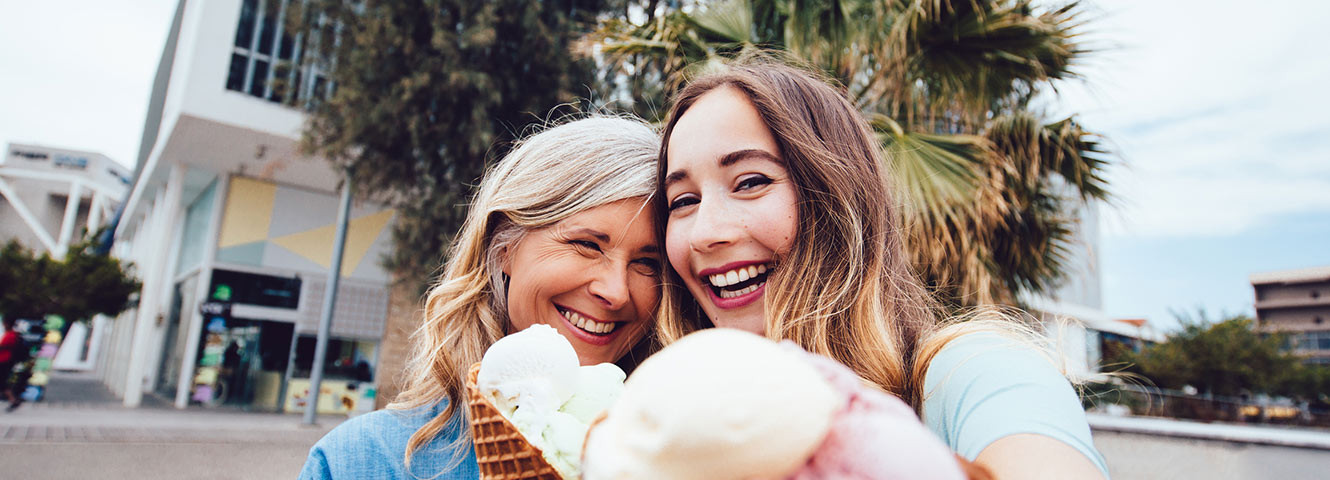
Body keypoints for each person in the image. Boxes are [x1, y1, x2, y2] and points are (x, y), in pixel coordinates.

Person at [656, 54, 1110, 479]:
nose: (704, 232)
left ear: (839, 196)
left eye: (751, 182)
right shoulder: (672, 425)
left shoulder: (977, 374)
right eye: (684, 201)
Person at [300, 116, 662, 479]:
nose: (615, 292)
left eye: (648, 263)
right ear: (504, 244)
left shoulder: (684, 464)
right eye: (587, 245)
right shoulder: (359, 462)